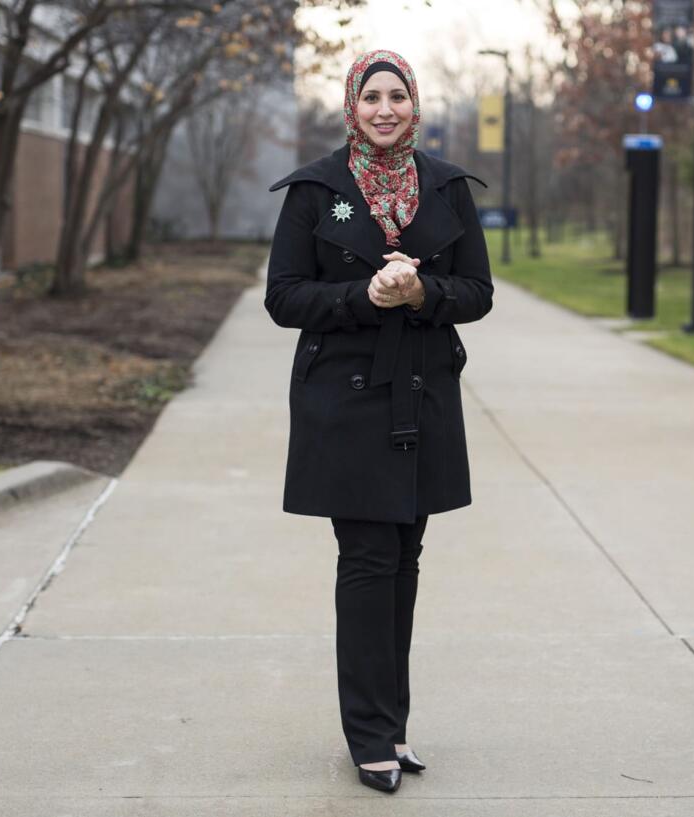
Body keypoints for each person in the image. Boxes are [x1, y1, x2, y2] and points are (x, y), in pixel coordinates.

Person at [263, 48, 493, 795]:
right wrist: (368, 296)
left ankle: (391, 724)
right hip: (345, 400)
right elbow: (286, 297)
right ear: (351, 105)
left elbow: (478, 291)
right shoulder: (317, 190)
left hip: (422, 395)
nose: (386, 109)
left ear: (415, 104)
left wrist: (423, 292)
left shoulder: (447, 186)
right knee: (366, 559)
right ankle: (368, 734)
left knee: (406, 556)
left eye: (398, 95)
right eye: (373, 97)